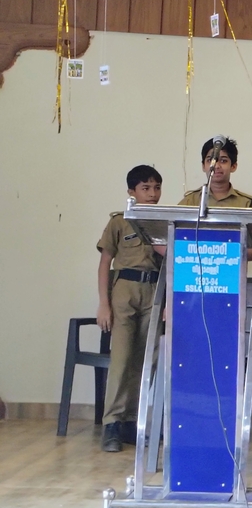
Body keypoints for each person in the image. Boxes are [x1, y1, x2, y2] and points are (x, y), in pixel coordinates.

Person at [95, 165, 164, 452]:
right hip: (124, 290)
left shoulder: (164, 222)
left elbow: (172, 263)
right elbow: (105, 263)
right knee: (122, 359)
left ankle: (133, 421)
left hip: (154, 290)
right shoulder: (120, 221)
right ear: (131, 192)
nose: (152, 193)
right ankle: (112, 422)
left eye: (156, 188)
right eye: (145, 188)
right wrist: (104, 303)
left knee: (146, 360)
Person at [179, 136, 252, 209]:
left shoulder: (247, 204)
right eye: (210, 160)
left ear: (233, 166)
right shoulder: (190, 201)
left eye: (223, 161)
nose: (216, 166)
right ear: (203, 166)